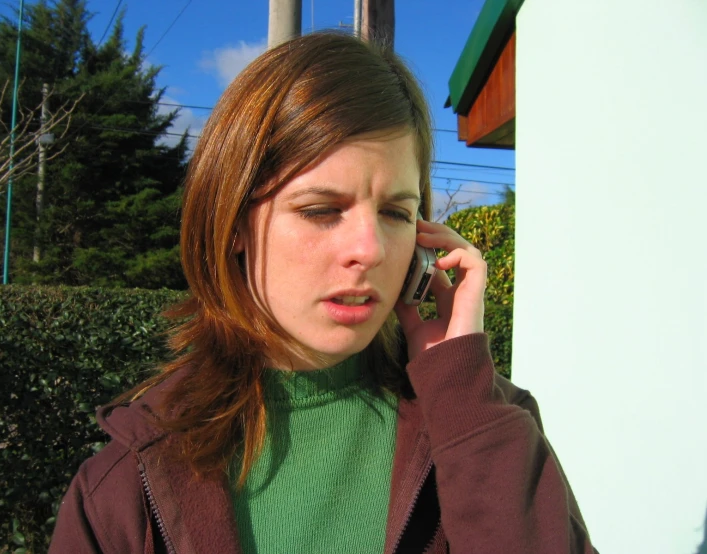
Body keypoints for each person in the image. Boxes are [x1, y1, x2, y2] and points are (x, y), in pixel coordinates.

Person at [49, 31, 597, 554]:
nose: (372, 249)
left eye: (395, 213)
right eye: (320, 210)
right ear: (232, 224)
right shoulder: (129, 481)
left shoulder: (486, 425)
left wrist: (463, 399)